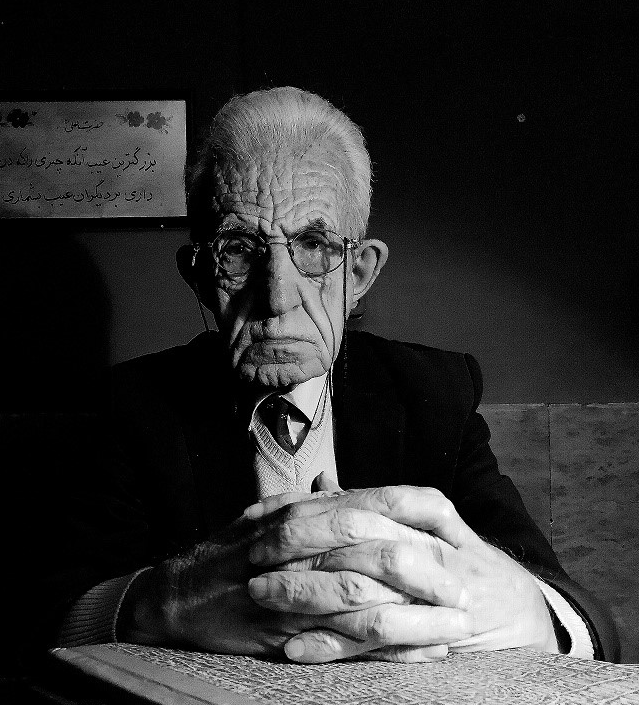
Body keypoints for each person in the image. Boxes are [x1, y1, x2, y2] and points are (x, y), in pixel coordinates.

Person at [58, 86, 618, 664]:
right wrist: (172, 597)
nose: (277, 296)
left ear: (358, 273)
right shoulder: (135, 405)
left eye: (314, 245)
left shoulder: (432, 393)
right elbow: (54, 618)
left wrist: (525, 610)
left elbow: (578, 617)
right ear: (199, 275)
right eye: (239, 249)